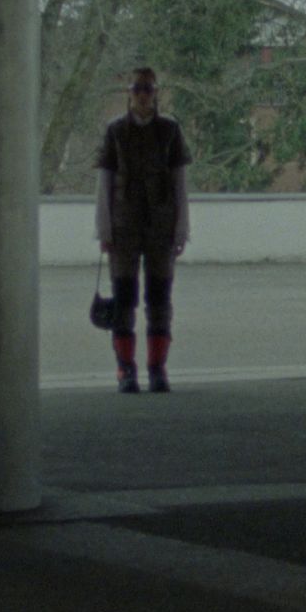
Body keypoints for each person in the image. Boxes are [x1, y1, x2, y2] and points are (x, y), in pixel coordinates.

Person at [95, 67, 191, 393]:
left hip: (161, 228)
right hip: (123, 227)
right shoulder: (115, 132)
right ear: (128, 92)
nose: (142, 95)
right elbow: (104, 183)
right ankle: (125, 369)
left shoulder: (170, 131)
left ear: (156, 93)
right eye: (137, 88)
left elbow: (179, 184)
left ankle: (157, 368)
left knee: (159, 298)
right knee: (124, 299)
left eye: (148, 89)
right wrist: (103, 229)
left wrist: (182, 229)